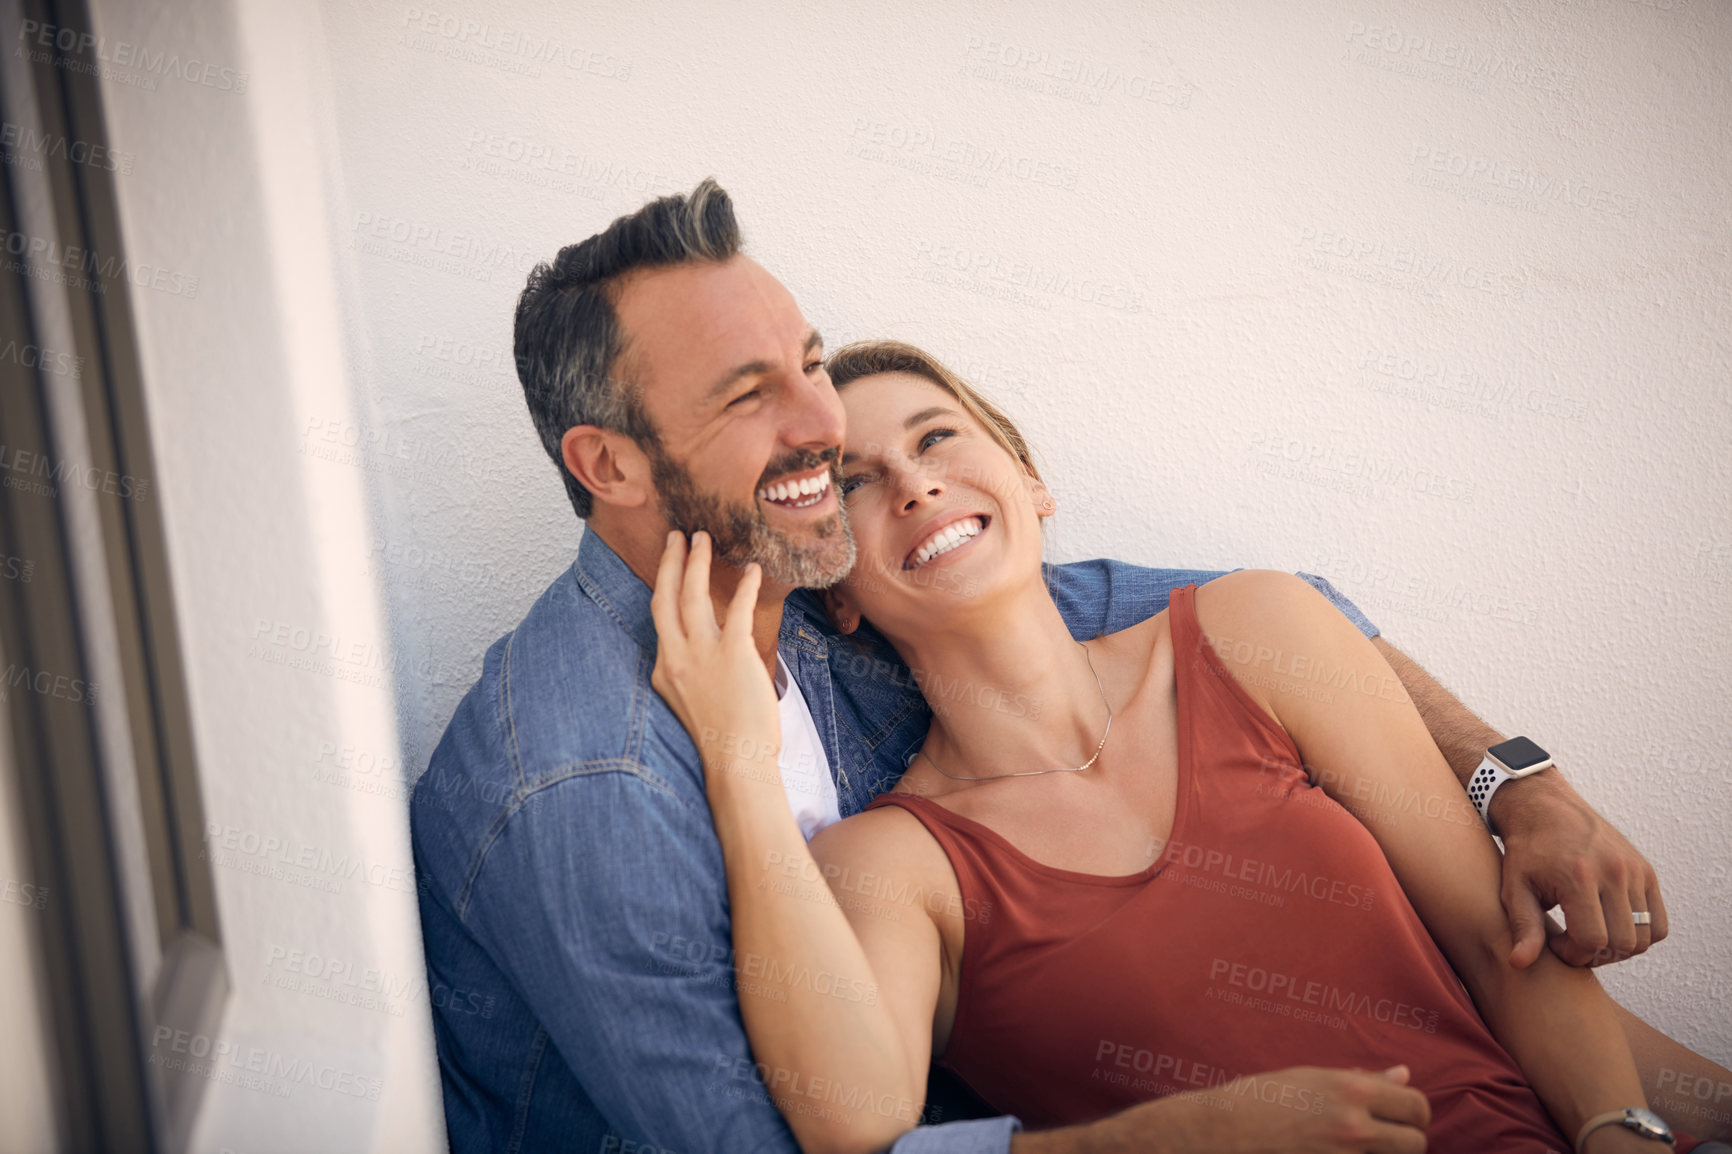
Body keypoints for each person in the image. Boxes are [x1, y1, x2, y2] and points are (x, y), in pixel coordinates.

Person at [409, 178, 1688, 1154]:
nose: (822, 427)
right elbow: (802, 1138)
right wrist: (1186, 1135)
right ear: (611, 465)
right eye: (754, 395)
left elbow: (1195, 609)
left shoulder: (788, 572)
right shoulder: (588, 784)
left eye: (811, 363)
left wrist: (1512, 776)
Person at [646, 337, 1732, 1154]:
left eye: (937, 438)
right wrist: (738, 757)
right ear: (837, 595)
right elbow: (855, 1125)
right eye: (854, 484)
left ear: (1029, 482)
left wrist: (1617, 1125)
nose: (914, 485)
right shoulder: (891, 864)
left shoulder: (1258, 629)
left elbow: (1502, 944)